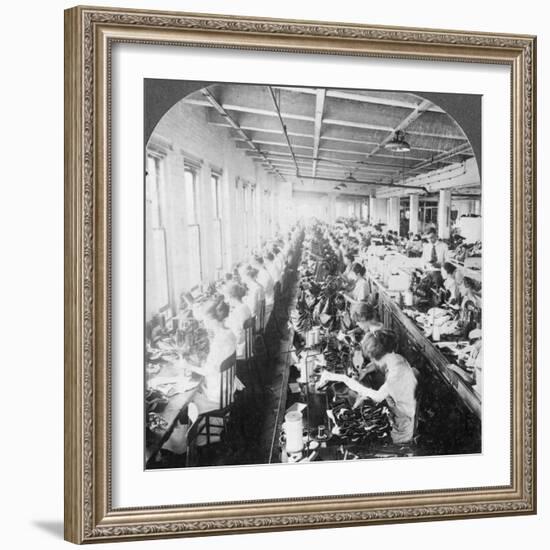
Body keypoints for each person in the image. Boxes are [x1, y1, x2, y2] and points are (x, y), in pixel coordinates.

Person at [318, 330, 418, 444]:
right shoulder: (395, 357)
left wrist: (344, 379)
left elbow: (377, 397)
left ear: (375, 356)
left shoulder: (396, 374)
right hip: (396, 409)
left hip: (401, 426)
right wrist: (364, 371)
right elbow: (377, 364)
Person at [225, 282, 252, 359]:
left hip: (241, 350)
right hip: (248, 345)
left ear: (231, 297)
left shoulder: (237, 312)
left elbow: (238, 337)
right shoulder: (245, 306)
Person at [240, 265, 265, 332]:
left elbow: (255, 308)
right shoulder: (257, 286)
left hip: (254, 319)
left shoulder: (256, 288)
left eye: (245, 278)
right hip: (255, 316)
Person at [252, 255, 274, 323]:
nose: (252, 267)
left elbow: (263, 291)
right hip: (268, 300)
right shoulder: (264, 272)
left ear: (256, 264)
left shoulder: (263, 275)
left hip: (267, 303)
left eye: (253, 264)